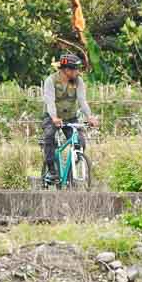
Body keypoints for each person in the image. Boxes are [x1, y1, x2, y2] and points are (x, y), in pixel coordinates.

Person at [41, 54, 100, 186]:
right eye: (75, 69)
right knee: (49, 137)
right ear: (67, 70)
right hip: (52, 116)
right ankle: (51, 171)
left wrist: (89, 116)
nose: (78, 72)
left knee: (80, 142)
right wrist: (55, 118)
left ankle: (69, 174)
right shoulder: (51, 80)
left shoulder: (78, 81)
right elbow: (49, 101)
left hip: (71, 117)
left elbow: (82, 101)